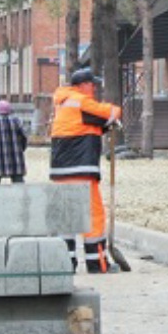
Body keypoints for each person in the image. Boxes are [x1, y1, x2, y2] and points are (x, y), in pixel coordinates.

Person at [51, 68, 121, 273]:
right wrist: (113, 116)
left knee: (66, 218)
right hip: (81, 169)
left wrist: (102, 126)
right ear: (82, 85)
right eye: (92, 84)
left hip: (60, 171)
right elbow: (111, 112)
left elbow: (89, 124)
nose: (95, 88)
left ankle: (65, 264)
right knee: (93, 215)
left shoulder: (63, 103)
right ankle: (97, 263)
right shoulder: (81, 101)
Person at [0, 100, 28, 184]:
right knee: (18, 181)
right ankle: (21, 196)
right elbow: (24, 136)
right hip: (16, 157)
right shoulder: (16, 120)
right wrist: (22, 148)